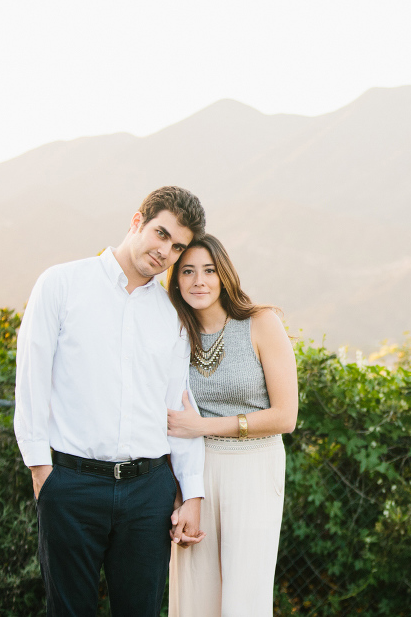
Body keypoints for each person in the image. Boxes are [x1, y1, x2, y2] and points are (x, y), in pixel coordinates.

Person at [14, 186, 209, 616]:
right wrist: (41, 472)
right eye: (161, 234)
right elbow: (30, 381)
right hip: (71, 485)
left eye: (176, 247)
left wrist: (190, 491)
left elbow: (179, 410)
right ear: (137, 220)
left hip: (148, 492)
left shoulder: (173, 316)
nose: (164, 252)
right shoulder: (61, 284)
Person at [164, 234, 298, 617]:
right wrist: (179, 494)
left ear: (224, 275)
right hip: (196, 475)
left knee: (244, 597)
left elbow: (285, 417)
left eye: (208, 270)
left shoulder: (260, 323)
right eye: (187, 271)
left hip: (255, 468)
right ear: (175, 280)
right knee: (195, 596)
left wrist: (203, 426)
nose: (199, 281)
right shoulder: (174, 332)